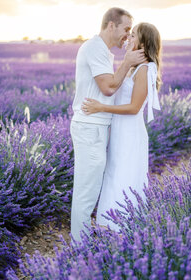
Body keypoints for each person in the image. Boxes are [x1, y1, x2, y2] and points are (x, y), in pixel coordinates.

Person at [70, 7, 146, 242]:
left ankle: (81, 239)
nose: (127, 35)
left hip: (96, 126)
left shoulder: (102, 51)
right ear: (111, 25)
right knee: (87, 189)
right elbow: (108, 87)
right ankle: (79, 245)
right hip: (90, 126)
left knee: (91, 187)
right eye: (125, 29)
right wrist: (127, 62)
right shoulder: (95, 49)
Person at [82, 22, 162, 232]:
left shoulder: (144, 69)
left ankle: (123, 231)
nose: (128, 38)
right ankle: (110, 227)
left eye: (133, 35)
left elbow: (135, 107)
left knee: (124, 178)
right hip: (119, 132)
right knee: (114, 175)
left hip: (130, 133)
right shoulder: (132, 68)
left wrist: (100, 108)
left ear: (143, 43)